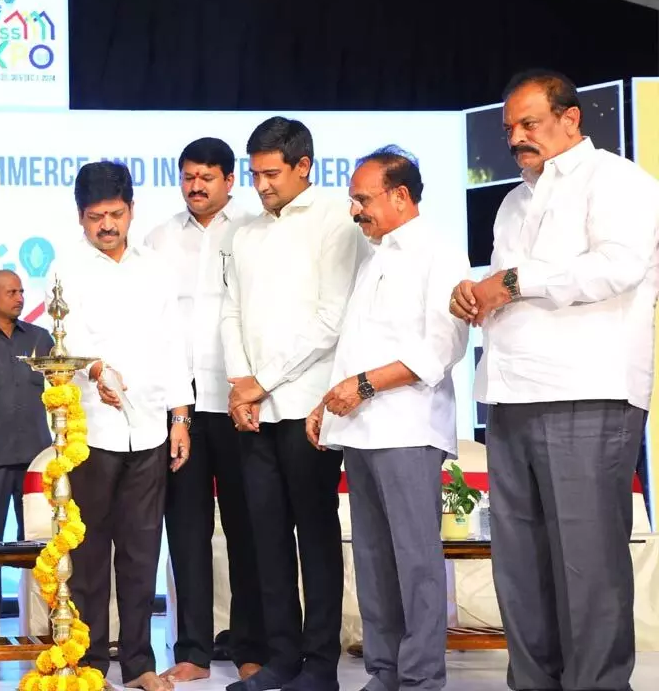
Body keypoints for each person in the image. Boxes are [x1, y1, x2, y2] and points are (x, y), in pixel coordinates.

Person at [450, 69, 659, 691]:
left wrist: (513, 282)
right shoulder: (514, 199)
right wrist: (475, 294)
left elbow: (617, 268)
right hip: (511, 394)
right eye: (510, 127)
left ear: (572, 120)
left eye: (529, 123)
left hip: (586, 392)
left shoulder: (618, 180)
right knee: (519, 564)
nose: (517, 137)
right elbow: (505, 284)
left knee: (586, 563)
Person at [309, 148, 469, 691]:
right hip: (361, 431)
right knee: (374, 562)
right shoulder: (375, 256)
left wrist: (366, 385)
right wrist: (326, 402)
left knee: (415, 561)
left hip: (408, 428)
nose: (356, 211)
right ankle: (384, 671)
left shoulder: (438, 253)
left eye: (363, 199)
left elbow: (441, 349)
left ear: (400, 196)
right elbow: (354, 347)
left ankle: (422, 678)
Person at [222, 117, 364, 691]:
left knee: (316, 533)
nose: (262, 185)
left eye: (272, 173)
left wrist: (265, 382)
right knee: (267, 535)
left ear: (304, 165)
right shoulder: (246, 232)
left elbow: (331, 320)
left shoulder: (337, 220)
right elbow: (229, 311)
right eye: (254, 174)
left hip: (309, 406)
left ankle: (320, 663)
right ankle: (281, 658)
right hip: (252, 410)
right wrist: (240, 383)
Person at [56, 160, 193, 691]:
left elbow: (172, 345)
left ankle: (138, 663)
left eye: (115, 214)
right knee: (89, 552)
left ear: (132, 211)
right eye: (95, 217)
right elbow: (68, 340)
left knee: (142, 550)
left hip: (152, 428)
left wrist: (180, 417)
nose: (106, 225)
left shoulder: (155, 267)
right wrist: (95, 370)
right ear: (80, 218)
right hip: (94, 429)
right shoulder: (67, 269)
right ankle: (90, 665)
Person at [144, 137, 265, 683]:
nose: (196, 186)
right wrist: (175, 410)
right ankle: (190, 650)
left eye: (207, 177)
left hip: (242, 402)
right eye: (188, 176)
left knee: (248, 531)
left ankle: (250, 648)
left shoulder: (256, 230)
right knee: (186, 531)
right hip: (183, 408)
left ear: (230, 180)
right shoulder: (159, 239)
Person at [0, 269, 55, 544]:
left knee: (40, 543)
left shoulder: (40, 339)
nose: (20, 298)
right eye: (12, 293)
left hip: (36, 459)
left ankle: (33, 590)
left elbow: (62, 389)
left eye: (21, 292)